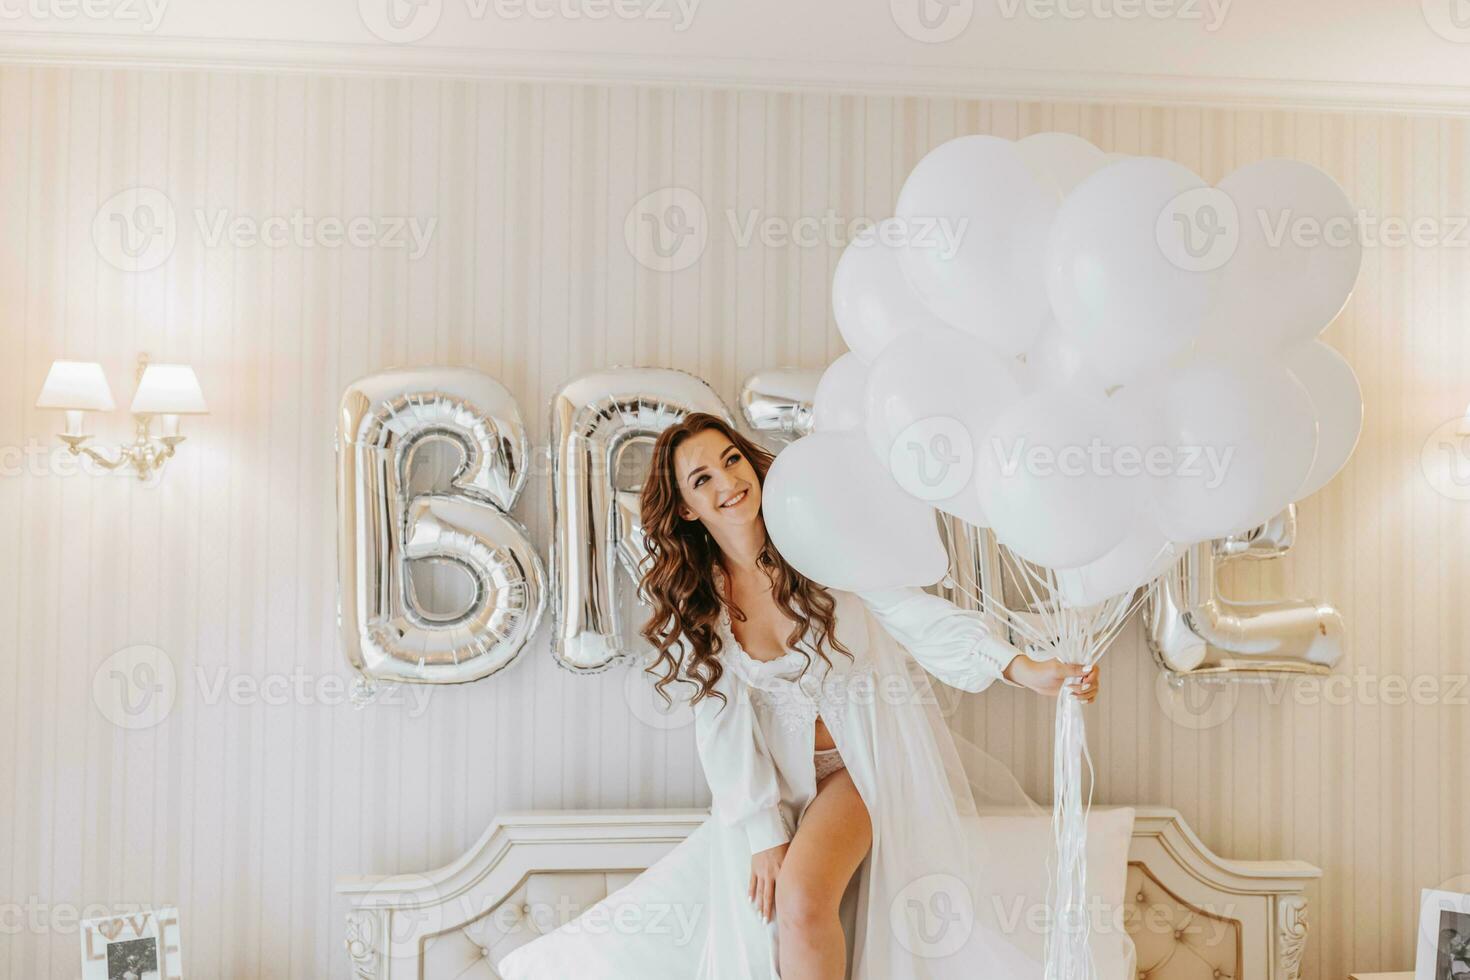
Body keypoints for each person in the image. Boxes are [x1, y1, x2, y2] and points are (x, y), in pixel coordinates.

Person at [500, 412, 1097, 980]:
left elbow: (910, 611)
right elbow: (721, 726)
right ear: (685, 507)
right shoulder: (700, 601)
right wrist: (764, 835)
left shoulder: (817, 541)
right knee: (752, 924)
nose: (728, 482)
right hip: (770, 784)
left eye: (732, 461)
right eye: (703, 478)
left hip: (860, 765)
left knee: (803, 897)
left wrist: (1019, 666)